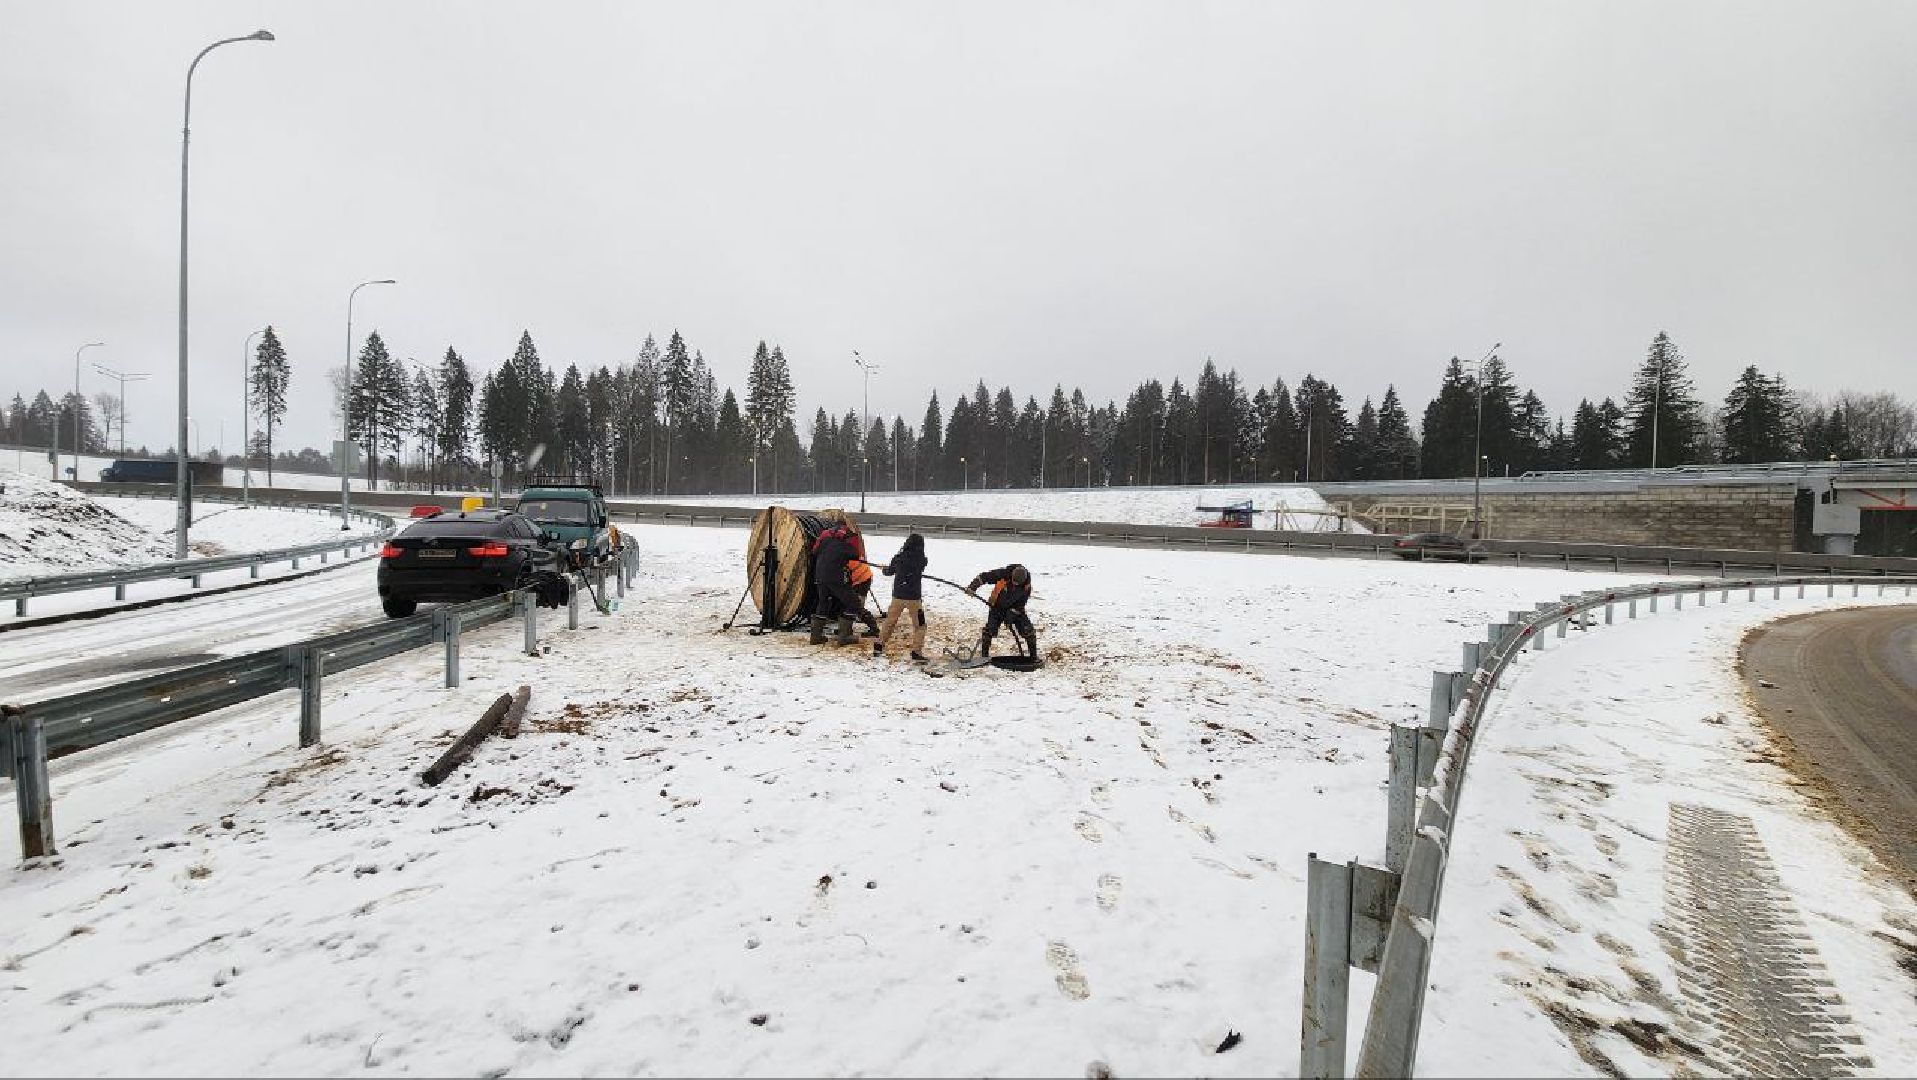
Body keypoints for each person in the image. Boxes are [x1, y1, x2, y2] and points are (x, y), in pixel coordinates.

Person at [810, 519, 879, 645]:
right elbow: (856, 554)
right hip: (836, 576)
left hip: (820, 575)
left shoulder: (824, 538)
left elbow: (814, 552)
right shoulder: (847, 540)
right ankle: (844, 636)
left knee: (823, 603)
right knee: (853, 603)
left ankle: (815, 637)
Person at [874, 533, 929, 661]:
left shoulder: (898, 557)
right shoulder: (922, 559)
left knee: (890, 621)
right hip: (914, 599)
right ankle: (916, 651)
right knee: (920, 625)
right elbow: (921, 566)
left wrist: (884, 569)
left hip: (897, 596)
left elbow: (889, 572)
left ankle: (879, 645)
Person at [966, 563, 1035, 660]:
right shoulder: (1003, 573)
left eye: (1017, 584)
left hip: (1015, 609)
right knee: (989, 630)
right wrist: (973, 586)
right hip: (996, 606)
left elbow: (1021, 605)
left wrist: (1011, 615)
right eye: (1013, 582)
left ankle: (1033, 657)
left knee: (1028, 630)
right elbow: (984, 577)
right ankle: (984, 656)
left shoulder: (1026, 587)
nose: (1014, 584)